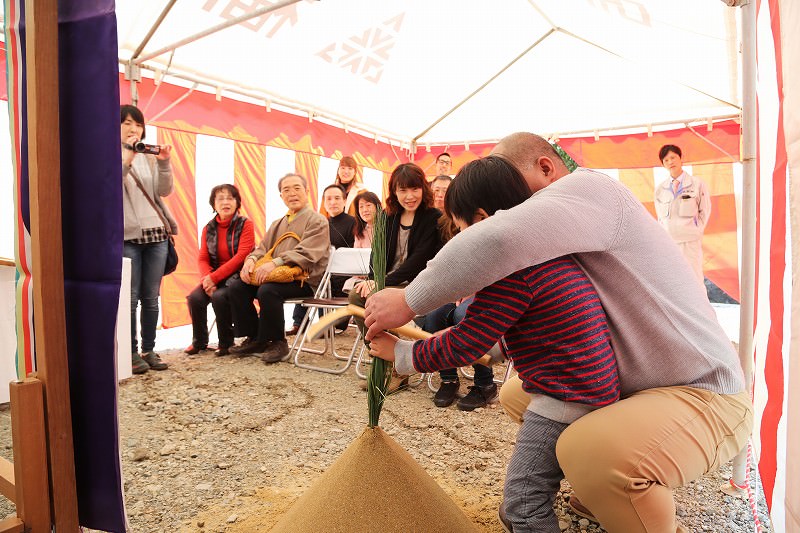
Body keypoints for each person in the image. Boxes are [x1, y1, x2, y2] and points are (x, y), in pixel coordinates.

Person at [364, 133, 752, 533]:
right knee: (519, 395)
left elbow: (494, 242)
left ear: (546, 168)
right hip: (618, 384)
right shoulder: (553, 247)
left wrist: (407, 306)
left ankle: (617, 489)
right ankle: (599, 491)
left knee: (545, 481)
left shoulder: (589, 190)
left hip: (702, 390)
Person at [370, 156, 620, 532]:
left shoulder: (510, 271)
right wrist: (498, 346)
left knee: (522, 505)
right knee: (527, 494)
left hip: (566, 395)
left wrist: (401, 354)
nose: (458, 239)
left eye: (459, 229)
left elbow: (465, 344)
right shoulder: (546, 251)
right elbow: (531, 325)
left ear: (483, 221)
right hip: (592, 385)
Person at [349, 163, 443, 391]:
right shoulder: (388, 217)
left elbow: (418, 261)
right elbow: (376, 255)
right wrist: (371, 280)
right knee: (356, 297)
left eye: (414, 189)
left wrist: (381, 283)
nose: (409, 196)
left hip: (418, 283)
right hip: (389, 282)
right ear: (394, 192)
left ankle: (397, 368)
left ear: (423, 188)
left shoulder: (433, 217)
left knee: (375, 298)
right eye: (402, 190)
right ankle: (386, 364)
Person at [227, 174, 330, 363]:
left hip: (303, 280)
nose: (292, 193)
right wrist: (251, 260)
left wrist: (276, 262)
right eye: (286, 190)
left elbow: (308, 252)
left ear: (307, 191)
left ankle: (278, 342)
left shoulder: (318, 220)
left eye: (297, 188)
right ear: (281, 196)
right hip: (276, 276)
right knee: (237, 287)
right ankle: (256, 338)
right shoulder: (278, 223)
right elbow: (263, 248)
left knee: (268, 290)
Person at [121, 104, 176, 375]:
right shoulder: (108, 154)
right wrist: (128, 155)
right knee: (130, 299)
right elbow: (109, 185)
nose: (134, 129)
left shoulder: (148, 154)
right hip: (128, 237)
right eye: (127, 123)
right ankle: (130, 352)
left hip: (157, 235)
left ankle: (149, 349)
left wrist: (164, 161)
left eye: (138, 124)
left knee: (151, 297)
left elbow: (163, 190)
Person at [184, 184, 255, 357]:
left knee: (219, 296)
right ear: (213, 204)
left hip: (238, 275)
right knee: (194, 298)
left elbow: (241, 256)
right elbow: (202, 258)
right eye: (220, 198)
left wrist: (213, 279)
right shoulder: (208, 228)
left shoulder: (245, 224)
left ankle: (225, 342)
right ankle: (199, 341)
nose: (225, 202)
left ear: (237, 202)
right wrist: (206, 279)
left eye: (230, 198)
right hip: (214, 276)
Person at [287, 184, 355, 336]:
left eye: (337, 198)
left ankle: (327, 323)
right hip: (322, 275)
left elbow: (353, 254)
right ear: (324, 202)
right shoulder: (320, 223)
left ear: (345, 201)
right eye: (328, 199)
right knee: (306, 277)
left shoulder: (353, 223)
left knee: (320, 279)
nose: (333, 202)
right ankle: (299, 323)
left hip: (342, 279)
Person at [654, 144, 711, 284]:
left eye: (673, 157)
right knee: (673, 281)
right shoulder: (660, 189)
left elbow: (705, 210)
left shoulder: (697, 184)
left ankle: (699, 306)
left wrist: (696, 231)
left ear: (680, 158)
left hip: (689, 241)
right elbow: (660, 218)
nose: (670, 162)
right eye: (666, 160)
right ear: (663, 164)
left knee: (694, 279)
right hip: (669, 242)